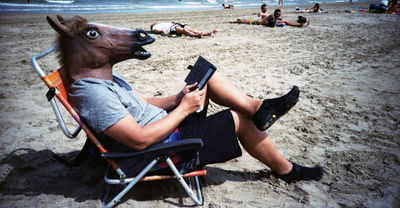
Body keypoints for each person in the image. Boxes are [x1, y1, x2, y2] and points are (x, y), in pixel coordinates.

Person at [69, 56, 324, 184]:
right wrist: (182, 110)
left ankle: (259, 108)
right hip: (160, 149)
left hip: (166, 126)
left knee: (208, 80)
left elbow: (143, 102)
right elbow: (138, 141)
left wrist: (177, 99)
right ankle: (286, 170)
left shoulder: (107, 77)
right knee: (238, 119)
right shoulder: (91, 91)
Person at [230, 9, 308, 27]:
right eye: (277, 14)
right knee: (244, 21)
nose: (278, 15)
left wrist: (281, 22)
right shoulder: (271, 16)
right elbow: (273, 24)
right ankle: (236, 21)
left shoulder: (274, 18)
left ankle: (299, 24)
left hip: (259, 21)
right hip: (256, 21)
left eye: (279, 14)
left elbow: (276, 22)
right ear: (274, 13)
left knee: (286, 21)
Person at [151, 22, 217, 38]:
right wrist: (162, 31)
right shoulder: (155, 27)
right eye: (154, 23)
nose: (155, 22)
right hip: (172, 28)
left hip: (176, 25)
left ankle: (209, 33)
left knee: (193, 30)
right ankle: (197, 36)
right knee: (184, 31)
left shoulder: (161, 23)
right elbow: (154, 31)